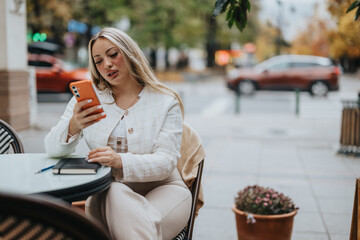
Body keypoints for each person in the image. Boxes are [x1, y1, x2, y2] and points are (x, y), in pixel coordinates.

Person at [44, 27, 192, 240]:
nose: (107, 65)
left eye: (113, 54)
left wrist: (119, 160)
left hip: (164, 188)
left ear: (129, 53)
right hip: (108, 192)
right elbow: (51, 149)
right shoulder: (87, 98)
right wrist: (73, 126)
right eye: (98, 61)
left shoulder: (165, 101)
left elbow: (166, 162)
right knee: (115, 192)